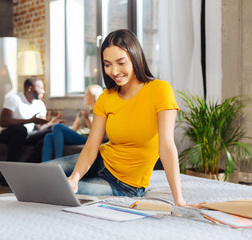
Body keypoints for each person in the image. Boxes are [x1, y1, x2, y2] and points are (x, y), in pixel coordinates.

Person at [45, 29, 189, 207]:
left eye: (121, 62)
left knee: (57, 189)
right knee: (43, 175)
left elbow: (167, 147)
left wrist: (179, 200)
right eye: (107, 64)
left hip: (125, 185)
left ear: (135, 57)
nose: (114, 71)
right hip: (101, 160)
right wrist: (74, 177)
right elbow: (91, 146)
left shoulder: (160, 90)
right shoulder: (106, 98)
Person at [0, 77, 61, 163]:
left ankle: (30, 163)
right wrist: (30, 120)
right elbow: (3, 121)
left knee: (49, 133)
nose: (43, 91)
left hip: (28, 136)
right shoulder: (14, 99)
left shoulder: (40, 104)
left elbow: (39, 129)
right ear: (30, 89)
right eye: (41, 88)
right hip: (8, 135)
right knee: (20, 129)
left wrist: (49, 125)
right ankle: (10, 164)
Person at [41, 85, 104, 162]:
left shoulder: (100, 112)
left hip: (88, 138)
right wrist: (61, 131)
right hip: (78, 136)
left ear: (94, 97)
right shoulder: (82, 112)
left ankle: (58, 161)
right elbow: (74, 129)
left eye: (87, 94)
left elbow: (95, 133)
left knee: (57, 127)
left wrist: (87, 118)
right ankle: (44, 165)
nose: (84, 96)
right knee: (49, 136)